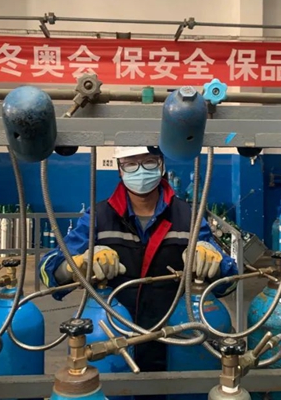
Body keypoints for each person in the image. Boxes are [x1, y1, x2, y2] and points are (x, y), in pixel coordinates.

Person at [39, 146, 237, 381]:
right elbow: (48, 270)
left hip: (176, 340)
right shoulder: (99, 216)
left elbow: (229, 281)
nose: (141, 171)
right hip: (113, 338)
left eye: (149, 162)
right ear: (120, 169)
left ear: (162, 165)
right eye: (131, 164)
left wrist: (214, 261)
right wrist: (74, 266)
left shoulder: (188, 216)